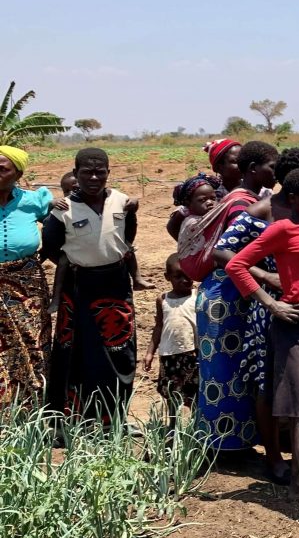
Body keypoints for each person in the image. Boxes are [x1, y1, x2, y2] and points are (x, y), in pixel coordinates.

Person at [226, 168, 299, 534]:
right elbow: (236, 264)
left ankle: (298, 480)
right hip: (294, 328)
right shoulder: (282, 228)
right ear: (292, 199)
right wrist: (270, 303)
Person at [185, 141, 278, 454]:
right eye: (235, 162)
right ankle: (222, 447)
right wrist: (267, 279)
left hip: (224, 292)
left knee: (228, 371)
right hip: (227, 296)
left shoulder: (233, 199)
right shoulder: (241, 204)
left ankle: (229, 443)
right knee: (227, 372)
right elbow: (229, 255)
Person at [42, 148, 141, 422]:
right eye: (87, 172)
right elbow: (51, 246)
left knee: (119, 349)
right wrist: (79, 260)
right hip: (79, 288)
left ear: (109, 173)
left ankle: (113, 418)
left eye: (100, 172)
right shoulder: (63, 210)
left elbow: (127, 236)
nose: (94, 177)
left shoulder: (121, 201)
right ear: (76, 174)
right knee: (75, 351)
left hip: (117, 285)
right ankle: (72, 419)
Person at [0, 146, 53, 405]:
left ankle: (32, 409)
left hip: (27, 286)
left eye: (2, 169)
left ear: (18, 172)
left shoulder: (35, 201)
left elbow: (58, 228)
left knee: (32, 343)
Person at [143, 254, 198, 420]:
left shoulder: (197, 295)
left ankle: (195, 427)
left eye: (188, 274)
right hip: (169, 354)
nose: (184, 280)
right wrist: (149, 353)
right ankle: (173, 425)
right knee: (172, 392)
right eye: (177, 276)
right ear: (167, 277)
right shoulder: (162, 299)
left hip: (193, 352)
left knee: (194, 391)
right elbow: (159, 326)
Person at [166, 139, 242, 240]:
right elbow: (173, 224)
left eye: (245, 160)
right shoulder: (210, 192)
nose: (243, 165)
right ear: (218, 167)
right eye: (236, 162)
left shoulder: (257, 189)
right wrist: (190, 249)